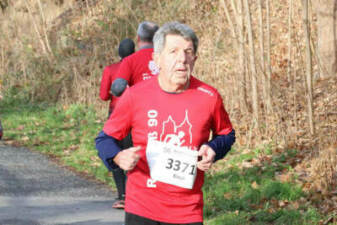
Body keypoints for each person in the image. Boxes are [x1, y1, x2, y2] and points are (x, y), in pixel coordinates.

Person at [96, 21, 236, 225]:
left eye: (188, 52)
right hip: (142, 206)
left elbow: (226, 134)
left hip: (187, 210)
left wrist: (213, 148)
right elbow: (104, 139)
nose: (182, 59)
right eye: (173, 51)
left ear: (195, 59)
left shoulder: (209, 97)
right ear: (157, 59)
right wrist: (117, 156)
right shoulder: (136, 95)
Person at [99, 38, 135, 209]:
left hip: (116, 116)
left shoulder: (111, 69)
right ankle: (133, 195)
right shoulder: (139, 67)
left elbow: (103, 96)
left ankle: (122, 195)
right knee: (133, 153)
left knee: (116, 153)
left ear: (119, 53)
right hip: (137, 116)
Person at [110, 21, 159, 97]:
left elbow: (117, 89)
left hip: (140, 105)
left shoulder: (130, 60)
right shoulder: (166, 57)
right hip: (165, 105)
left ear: (138, 38)